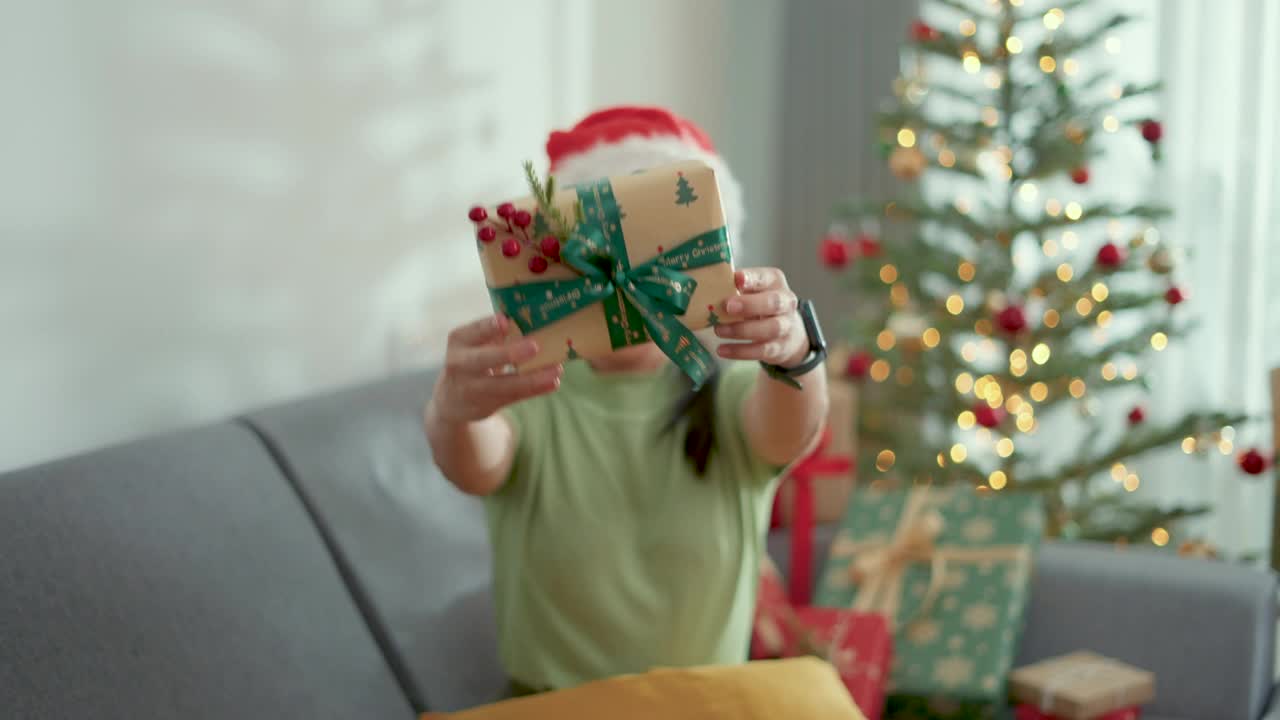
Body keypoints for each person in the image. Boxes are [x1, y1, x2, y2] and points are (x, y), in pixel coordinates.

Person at [424, 106, 828, 695]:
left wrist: (796, 353)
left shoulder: (728, 387)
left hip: (704, 707)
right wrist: (452, 408)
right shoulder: (535, 386)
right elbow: (474, 462)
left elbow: (788, 427)